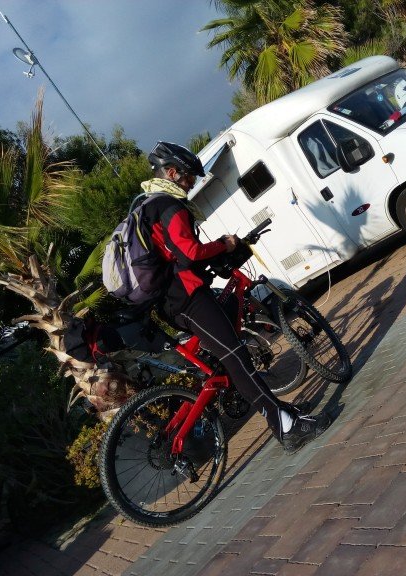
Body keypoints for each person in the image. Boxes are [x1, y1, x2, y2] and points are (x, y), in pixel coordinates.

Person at [141, 140, 331, 453]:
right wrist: (224, 244)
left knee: (229, 351)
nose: (192, 184)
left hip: (171, 301)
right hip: (187, 297)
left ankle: (277, 409)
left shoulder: (145, 205)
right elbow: (189, 253)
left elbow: (171, 254)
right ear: (172, 173)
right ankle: (285, 426)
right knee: (237, 357)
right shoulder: (169, 206)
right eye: (189, 177)